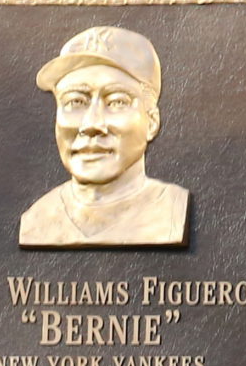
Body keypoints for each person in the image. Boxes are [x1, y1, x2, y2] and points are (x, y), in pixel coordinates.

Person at [18, 25, 188, 248]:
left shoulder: (173, 213)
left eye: (116, 102)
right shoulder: (37, 221)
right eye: (76, 102)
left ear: (152, 122)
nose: (92, 124)